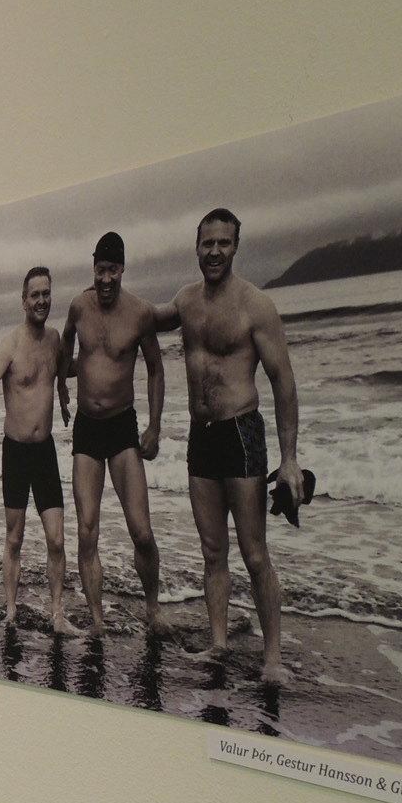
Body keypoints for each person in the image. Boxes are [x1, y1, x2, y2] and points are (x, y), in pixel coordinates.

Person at [157, 208, 302, 683]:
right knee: (212, 550)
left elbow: (283, 382)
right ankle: (218, 645)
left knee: (254, 553)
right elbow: (144, 321)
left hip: (241, 434)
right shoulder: (185, 301)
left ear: (236, 246)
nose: (215, 251)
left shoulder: (256, 306)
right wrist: (101, 297)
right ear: (196, 248)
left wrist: (289, 460)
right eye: (207, 243)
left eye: (223, 242)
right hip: (201, 436)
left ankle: (273, 658)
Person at [60, 232, 167, 637]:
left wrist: (154, 425)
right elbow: (65, 349)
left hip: (122, 428)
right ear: (94, 268)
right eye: (100, 270)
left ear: (123, 269)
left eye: (113, 270)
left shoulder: (140, 313)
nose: (106, 279)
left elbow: (155, 369)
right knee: (87, 530)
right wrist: (61, 387)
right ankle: (98, 621)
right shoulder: (78, 307)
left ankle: (153, 610)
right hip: (87, 429)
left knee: (141, 530)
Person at [0, 267, 79, 635]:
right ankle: (11, 611)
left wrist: (64, 396)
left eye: (46, 294)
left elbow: (62, 371)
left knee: (56, 539)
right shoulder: (9, 345)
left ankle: (57, 614)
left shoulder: (55, 339)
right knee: (14, 538)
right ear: (23, 301)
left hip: (44, 453)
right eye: (35, 295)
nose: (41, 301)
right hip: (15, 454)